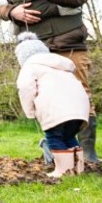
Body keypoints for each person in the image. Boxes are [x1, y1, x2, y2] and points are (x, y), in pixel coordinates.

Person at [0, 0, 97, 164]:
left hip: (68, 46)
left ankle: (88, 153)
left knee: (80, 97)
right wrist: (13, 12)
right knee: (45, 102)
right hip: (35, 52)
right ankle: (54, 150)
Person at [15, 32, 89, 177]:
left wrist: (30, 112)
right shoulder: (61, 65)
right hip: (79, 108)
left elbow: (25, 88)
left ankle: (62, 170)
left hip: (55, 110)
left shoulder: (29, 67)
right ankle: (77, 169)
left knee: (54, 137)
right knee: (69, 136)